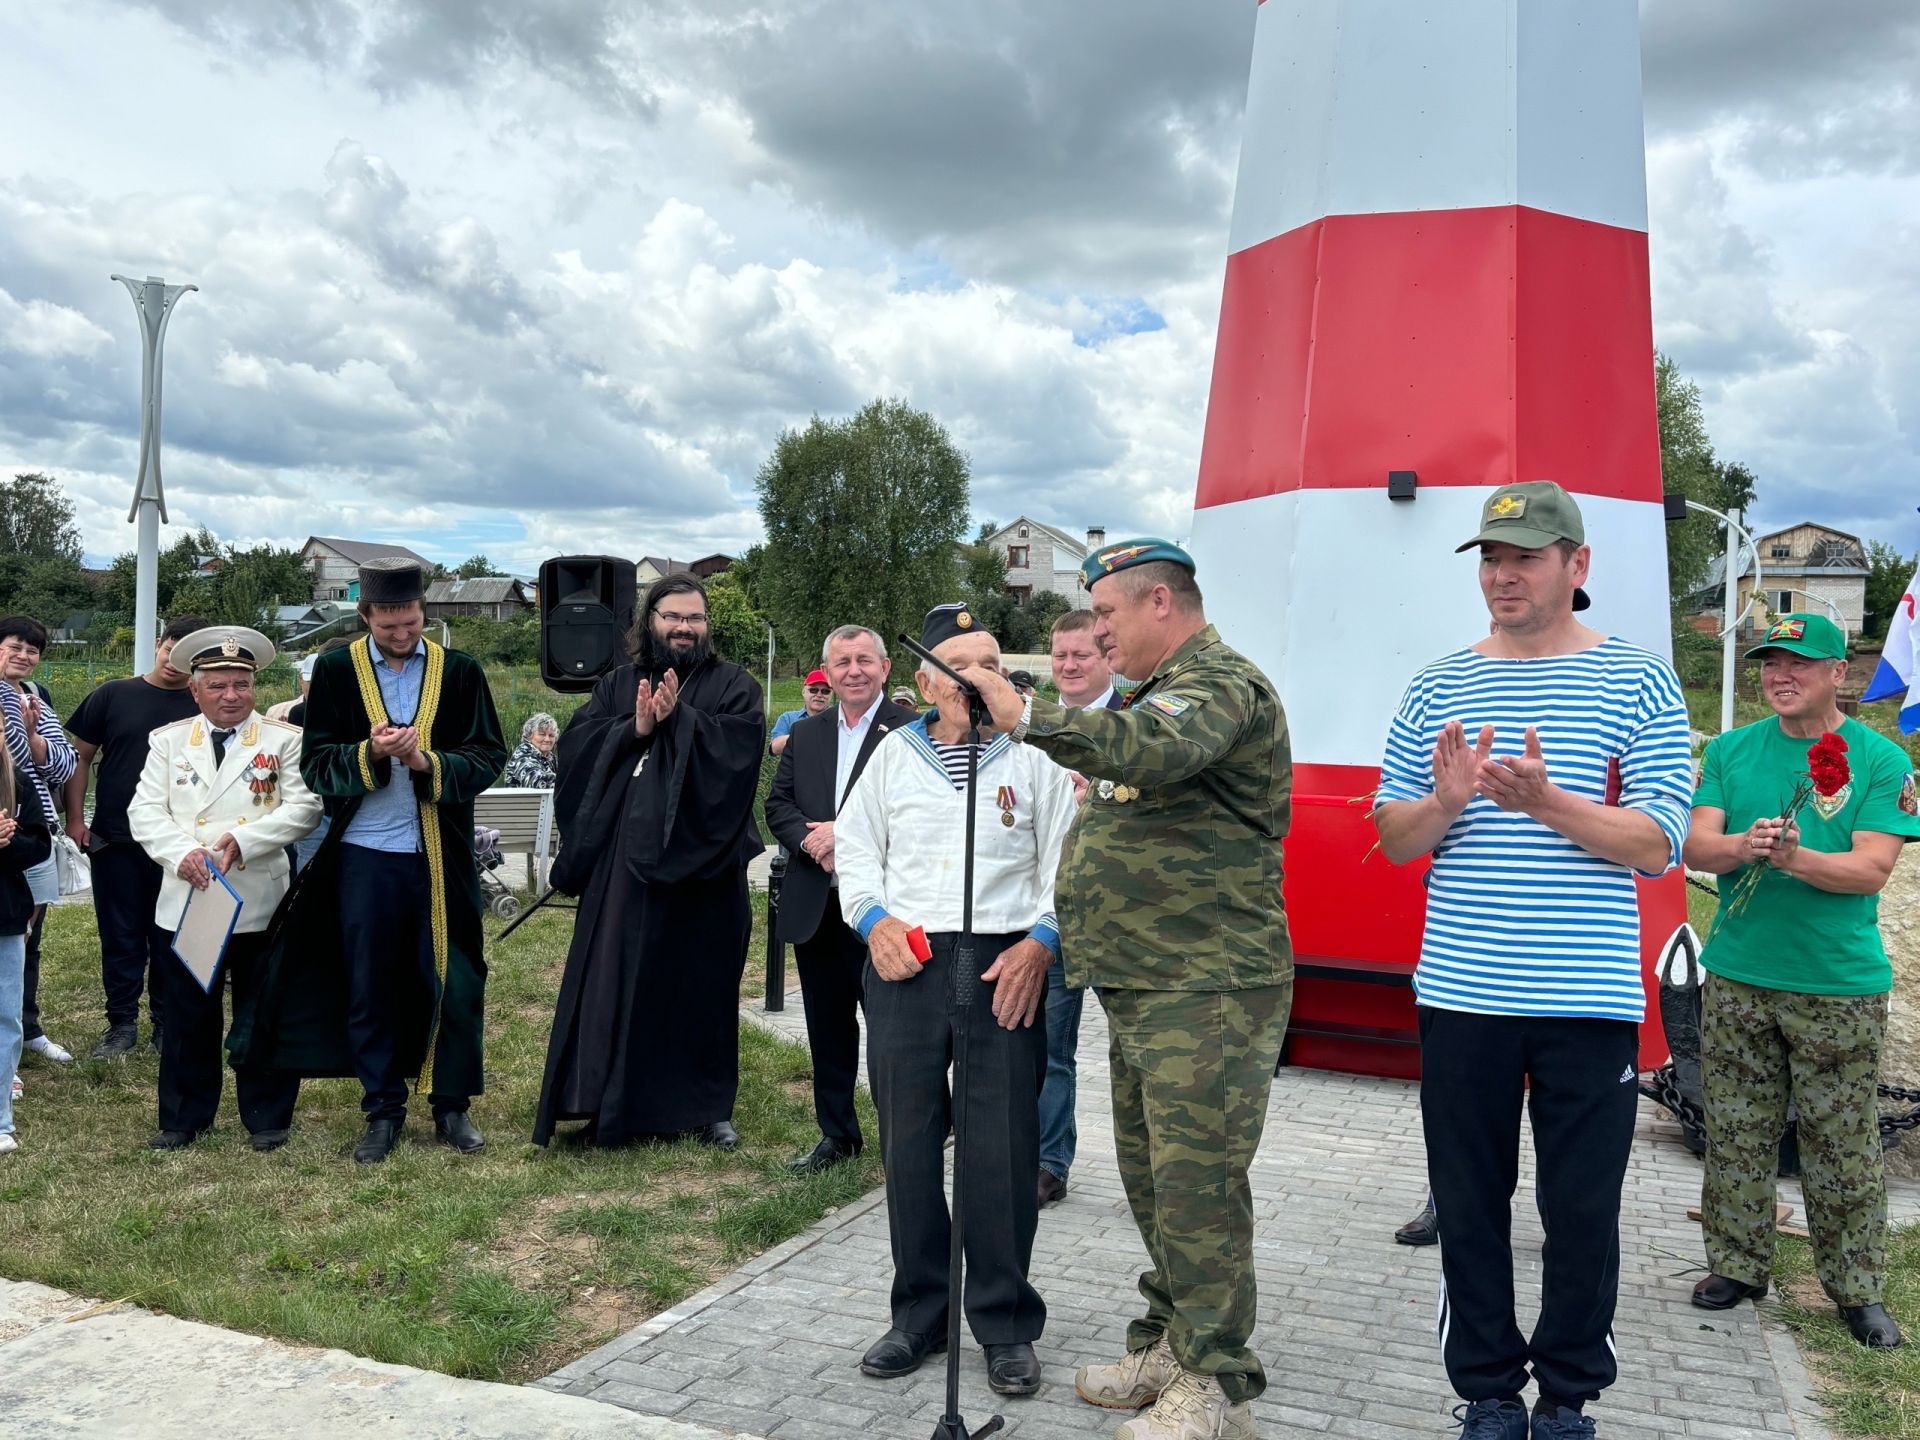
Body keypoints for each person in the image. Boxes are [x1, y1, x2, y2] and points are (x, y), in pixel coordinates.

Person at [1370, 482, 1693, 1440]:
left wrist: (1548, 802)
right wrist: (1449, 801)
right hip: (1463, 991)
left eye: (1525, 556)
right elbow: (1394, 837)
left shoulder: (1639, 680)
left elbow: (1657, 841)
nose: (1502, 575)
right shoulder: (1436, 683)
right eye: (1491, 558)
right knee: (1469, 1204)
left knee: (1582, 1207)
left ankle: (1568, 1397)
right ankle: (1486, 1392)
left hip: (1585, 997)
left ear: (1577, 566)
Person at [965, 541, 1291, 1440]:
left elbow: (1153, 749)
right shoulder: (1158, 690)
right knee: (1156, 1182)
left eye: (1104, 614)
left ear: (1159, 602)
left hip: (1210, 985)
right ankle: (1170, 1340)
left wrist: (1023, 711)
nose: (1096, 632)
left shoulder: (1219, 684)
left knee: (1201, 1187)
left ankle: (1220, 1388)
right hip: (1151, 984)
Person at [835, 602, 1075, 1398]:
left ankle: (1005, 1324)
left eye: (995, 664)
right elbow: (858, 850)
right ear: (927, 680)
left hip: (1004, 965)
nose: (984, 678)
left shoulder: (1034, 756)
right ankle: (919, 1315)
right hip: (909, 964)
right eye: (966, 665)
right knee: (907, 1146)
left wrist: (1040, 942)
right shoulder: (895, 754)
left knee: (1000, 1151)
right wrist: (872, 921)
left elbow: (1065, 866)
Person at [1684, 612, 1919, 1349]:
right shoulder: (1729, 749)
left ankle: (1855, 1290)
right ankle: (1738, 1265)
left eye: (1799, 662)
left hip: (1836, 986)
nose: (1779, 675)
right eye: (1769, 662)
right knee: (1735, 1131)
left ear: (1838, 672)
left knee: (1840, 1143)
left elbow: (1870, 869)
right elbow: (1696, 842)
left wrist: (1793, 860)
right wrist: (1739, 846)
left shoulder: (1881, 762)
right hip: (1737, 975)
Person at [231, 558, 506, 1164]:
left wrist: (425, 763)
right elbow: (318, 762)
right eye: (388, 624)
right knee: (368, 981)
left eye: (409, 621)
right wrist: (371, 753)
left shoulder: (459, 671)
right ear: (366, 617)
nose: (401, 633)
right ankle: (382, 1109)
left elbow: (488, 756)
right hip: (365, 854)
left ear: (423, 614)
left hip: (442, 854)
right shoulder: (335, 670)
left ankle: (451, 1105)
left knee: (455, 977)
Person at [533, 574, 765, 1149]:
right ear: (650, 622)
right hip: (626, 868)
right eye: (672, 617)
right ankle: (603, 1100)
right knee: (614, 976)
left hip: (707, 870)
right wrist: (636, 727)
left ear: (708, 626)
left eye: (695, 618)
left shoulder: (735, 686)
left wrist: (681, 720)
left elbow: (739, 756)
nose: (684, 628)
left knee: (703, 984)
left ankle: (707, 1109)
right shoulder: (617, 685)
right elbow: (578, 749)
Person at [127, 627, 321, 1152]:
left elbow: (304, 808)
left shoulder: (284, 742)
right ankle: (184, 1117)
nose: (231, 695)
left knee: (262, 1009)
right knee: (190, 1012)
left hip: (259, 897)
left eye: (241, 683)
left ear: (255, 686)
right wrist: (180, 852)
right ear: (195, 690)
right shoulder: (169, 742)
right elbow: (144, 810)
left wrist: (243, 838)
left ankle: (267, 1114)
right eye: (217, 685)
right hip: (191, 896)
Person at [764, 625, 918, 1174]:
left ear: (885, 668)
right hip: (819, 905)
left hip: (884, 911)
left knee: (894, 1031)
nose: (853, 671)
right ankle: (837, 1136)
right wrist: (809, 838)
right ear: (826, 673)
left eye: (863, 660)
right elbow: (777, 804)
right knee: (828, 1027)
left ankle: (905, 1136)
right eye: (841, 662)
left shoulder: (913, 731)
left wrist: (842, 835)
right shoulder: (807, 734)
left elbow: (920, 815)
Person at [64, 613, 210, 1058]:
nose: (174, 661)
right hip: (116, 838)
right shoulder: (114, 694)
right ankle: (121, 1024)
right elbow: (80, 759)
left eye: (187, 658)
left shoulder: (202, 705)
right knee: (121, 935)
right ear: (158, 644)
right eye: (170, 648)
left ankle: (168, 1023)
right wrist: (75, 820)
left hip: (179, 845)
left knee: (172, 935)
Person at [1035, 608, 1123, 1210]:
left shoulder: (1143, 719)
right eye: (1059, 656)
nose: (1068, 666)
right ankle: (1047, 1162)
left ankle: (1157, 1174)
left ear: (1107, 656)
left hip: (1124, 920)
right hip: (1053, 913)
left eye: (1081, 656)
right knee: (1048, 1046)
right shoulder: (1032, 726)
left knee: (1141, 1054)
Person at [0, 617, 77, 1067]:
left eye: (33, 650)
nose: (24, 656)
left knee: (27, 933)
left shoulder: (37, 699)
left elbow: (63, 767)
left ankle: (26, 1028)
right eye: (15, 646)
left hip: (31, 831)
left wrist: (32, 735)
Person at [0, 731, 54, 1155]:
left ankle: (1, 1118)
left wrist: (9, 841)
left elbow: (39, 845)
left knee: (5, 1016)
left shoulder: (15, 779)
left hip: (4, 915)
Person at [770, 670, 834, 756]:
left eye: (825, 691)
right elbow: (775, 748)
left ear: (831, 695)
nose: (819, 695)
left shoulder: (839, 720)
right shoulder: (788, 718)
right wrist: (808, 734)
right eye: (813, 690)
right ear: (803, 692)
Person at [503, 712, 561, 788]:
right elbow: (538, 781)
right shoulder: (523, 756)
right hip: (522, 800)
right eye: (542, 734)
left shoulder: (550, 757)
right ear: (530, 736)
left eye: (551, 735)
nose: (547, 739)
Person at [266, 653, 316, 722]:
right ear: (300, 679)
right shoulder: (275, 713)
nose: (318, 687)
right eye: (311, 682)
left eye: (324, 682)